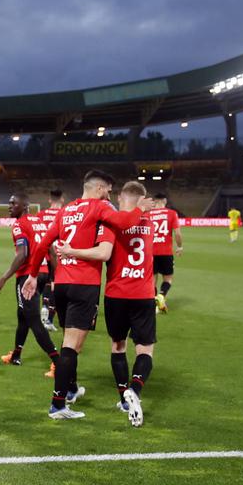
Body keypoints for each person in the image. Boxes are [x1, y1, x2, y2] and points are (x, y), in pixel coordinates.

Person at [21, 170, 150, 420]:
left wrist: (33, 274)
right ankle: (58, 405)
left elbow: (42, 243)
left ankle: (70, 390)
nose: (110, 195)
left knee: (69, 343)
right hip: (84, 285)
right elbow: (124, 223)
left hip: (62, 285)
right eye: (109, 190)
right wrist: (140, 210)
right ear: (100, 189)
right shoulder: (98, 207)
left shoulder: (66, 210)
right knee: (72, 347)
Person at [55, 181, 157, 428]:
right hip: (143, 293)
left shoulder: (112, 223)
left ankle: (124, 398)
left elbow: (107, 248)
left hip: (116, 293)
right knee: (145, 349)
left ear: (123, 197)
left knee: (118, 346)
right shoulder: (150, 224)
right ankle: (135, 388)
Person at [0, 194, 58, 377]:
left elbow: (22, 254)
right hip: (42, 273)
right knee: (23, 315)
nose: (9, 205)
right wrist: (53, 277)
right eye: (9, 202)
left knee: (33, 319)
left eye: (14, 203)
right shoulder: (40, 223)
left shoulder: (20, 225)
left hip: (28, 277)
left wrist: (3, 279)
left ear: (25, 206)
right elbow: (51, 251)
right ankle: (16, 354)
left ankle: (58, 362)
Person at [149, 194, 183, 313]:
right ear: (165, 201)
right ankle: (161, 296)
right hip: (166, 252)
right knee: (168, 278)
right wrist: (179, 246)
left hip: (150, 252)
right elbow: (177, 234)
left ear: (154, 201)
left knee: (152, 279)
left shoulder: (148, 214)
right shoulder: (171, 213)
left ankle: (153, 305)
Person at [37, 190, 65, 329]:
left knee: (46, 283)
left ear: (49, 200)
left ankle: (43, 306)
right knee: (55, 284)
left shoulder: (40, 215)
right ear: (62, 199)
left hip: (44, 254)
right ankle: (49, 316)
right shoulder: (64, 213)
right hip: (59, 254)